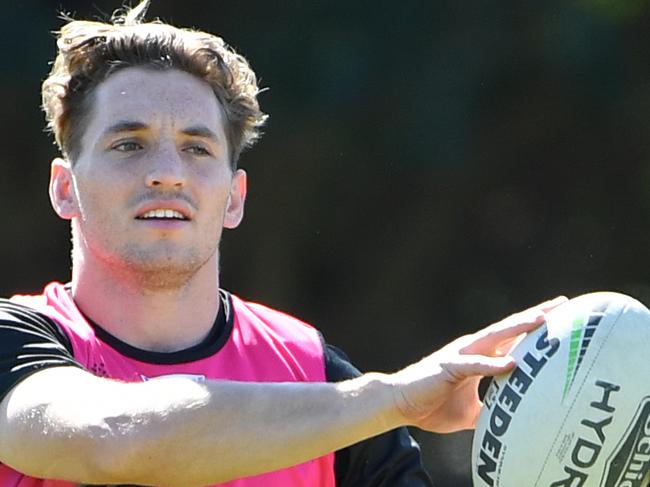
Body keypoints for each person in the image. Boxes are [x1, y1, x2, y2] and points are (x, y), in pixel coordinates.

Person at [0, 2, 566, 485]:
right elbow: (115, 438)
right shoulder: (15, 340)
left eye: (198, 149)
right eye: (129, 144)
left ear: (235, 197)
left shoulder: (313, 373)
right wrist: (392, 399)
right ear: (64, 188)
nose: (168, 173)